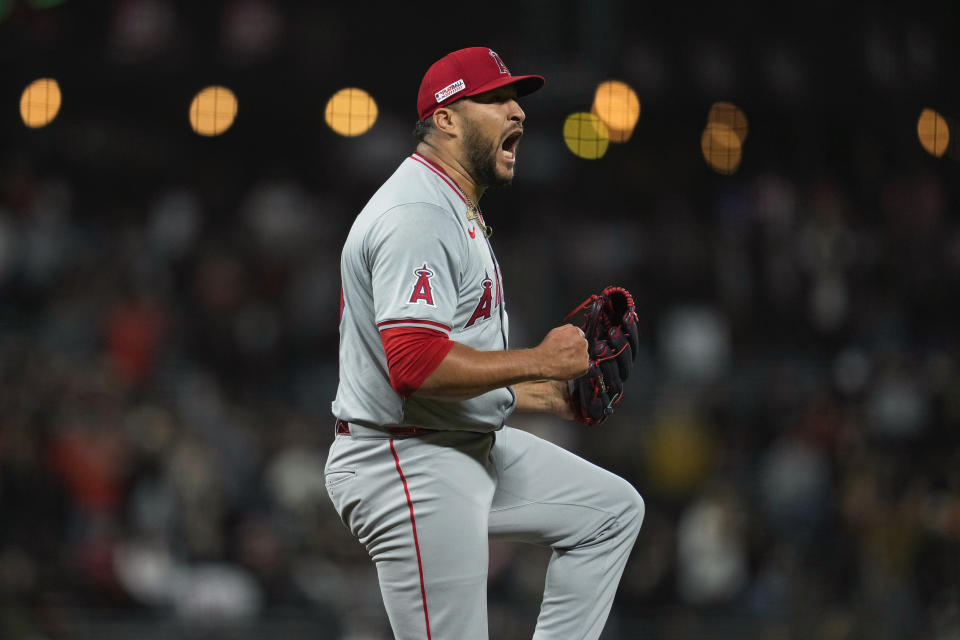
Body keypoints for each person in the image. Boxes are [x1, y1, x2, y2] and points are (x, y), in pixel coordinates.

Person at [324, 46, 645, 639]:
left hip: (452, 440)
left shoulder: (451, 206)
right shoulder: (418, 211)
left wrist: (545, 396)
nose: (516, 112)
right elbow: (414, 368)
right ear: (445, 118)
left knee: (611, 513)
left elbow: (444, 375)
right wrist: (541, 360)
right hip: (405, 463)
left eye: (515, 99)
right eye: (495, 99)